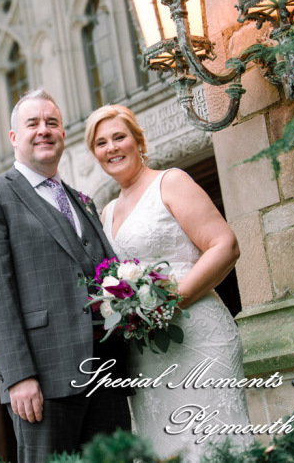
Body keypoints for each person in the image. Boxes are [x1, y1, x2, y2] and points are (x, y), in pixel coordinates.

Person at [0, 89, 131, 463]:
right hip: (43, 380)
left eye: (51, 123)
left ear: (62, 134)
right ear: (13, 137)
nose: (44, 130)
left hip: (106, 373)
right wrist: (18, 376)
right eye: (33, 123)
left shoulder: (82, 200)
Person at [84, 103, 252, 462]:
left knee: (214, 446)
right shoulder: (106, 212)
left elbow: (224, 245)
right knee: (166, 450)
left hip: (198, 336)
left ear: (138, 141)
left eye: (119, 137)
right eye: (101, 143)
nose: (111, 147)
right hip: (147, 352)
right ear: (95, 154)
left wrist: (171, 301)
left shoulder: (171, 182)